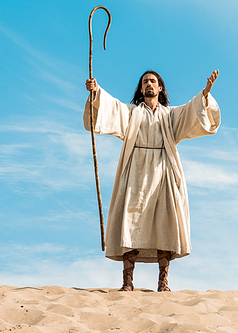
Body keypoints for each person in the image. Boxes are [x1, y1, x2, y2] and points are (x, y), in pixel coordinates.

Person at [84, 69, 220, 292]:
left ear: (160, 89)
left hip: (163, 171)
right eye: (145, 82)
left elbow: (191, 112)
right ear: (140, 88)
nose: (149, 84)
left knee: (165, 222)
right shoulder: (131, 113)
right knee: (130, 220)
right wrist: (96, 91)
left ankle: (163, 281)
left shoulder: (170, 115)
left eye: (153, 82)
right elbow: (112, 108)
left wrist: (205, 94)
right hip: (135, 171)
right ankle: (127, 282)